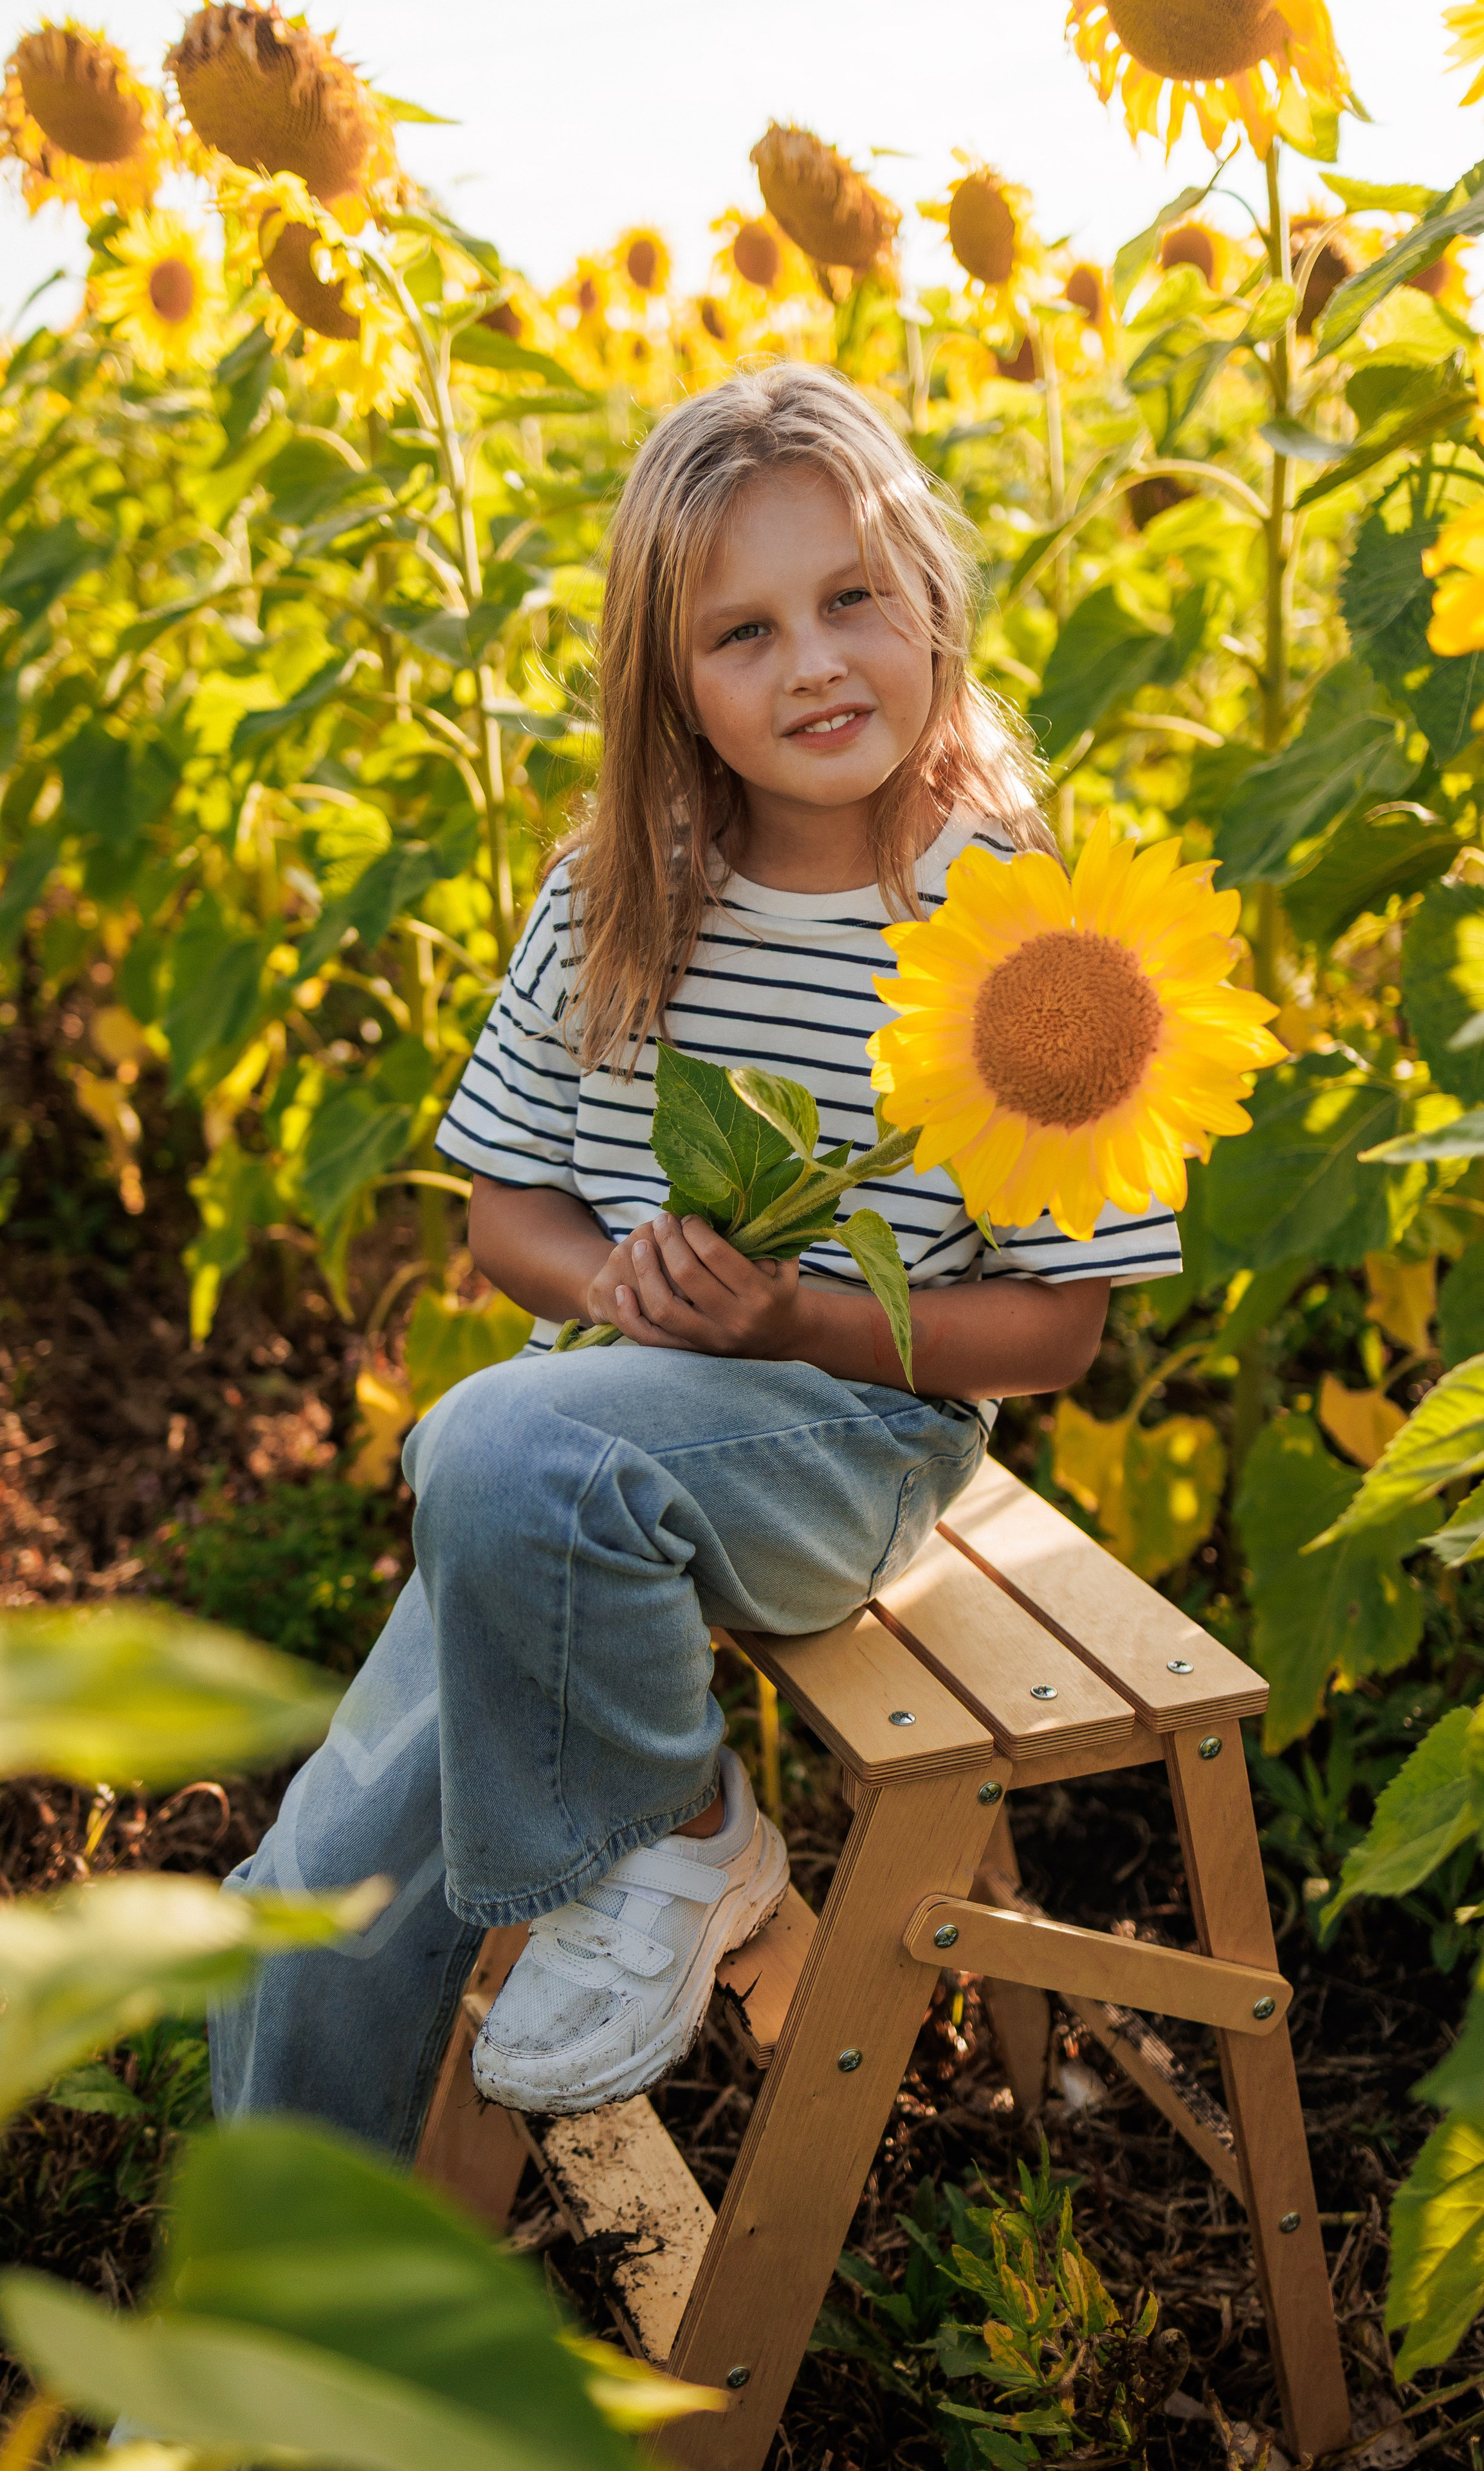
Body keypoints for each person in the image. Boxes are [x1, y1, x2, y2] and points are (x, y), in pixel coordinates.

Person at [210, 362, 1182, 2149]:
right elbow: (513, 1209)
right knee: (306, 1901)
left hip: (851, 1442)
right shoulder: (615, 893)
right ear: (671, 681)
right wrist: (621, 1290)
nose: (813, 662)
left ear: (932, 601)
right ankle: (274, 2304)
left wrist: (794, 1314)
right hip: (587, 1457)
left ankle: (673, 1841)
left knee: (487, 1446)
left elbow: (1056, 1334)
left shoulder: (1020, 926)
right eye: (742, 631)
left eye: (850, 600)